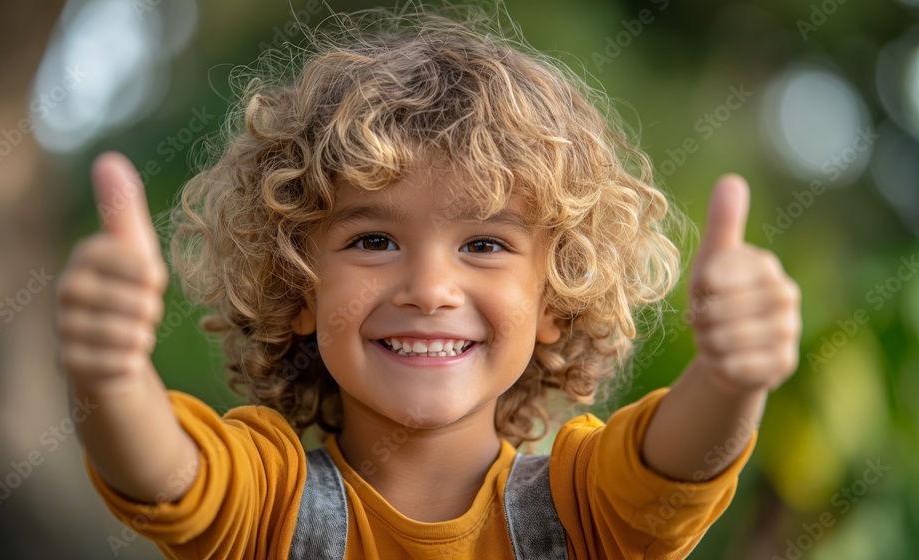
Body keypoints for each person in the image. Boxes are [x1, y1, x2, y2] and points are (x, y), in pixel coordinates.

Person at [55, 4, 801, 558]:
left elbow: (676, 464)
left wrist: (731, 379)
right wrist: (110, 374)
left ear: (555, 299)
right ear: (299, 287)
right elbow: (163, 474)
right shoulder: (269, 504)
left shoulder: (584, 506)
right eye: (374, 240)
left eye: (483, 243)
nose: (429, 287)